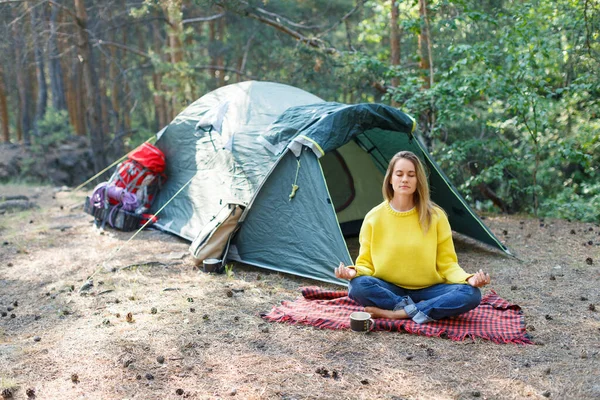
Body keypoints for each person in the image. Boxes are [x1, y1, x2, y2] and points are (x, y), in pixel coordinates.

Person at [335, 151, 491, 324]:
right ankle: (422, 309)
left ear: (418, 181)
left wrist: (469, 279)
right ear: (390, 179)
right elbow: (366, 264)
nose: (404, 179)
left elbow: (447, 265)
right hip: (389, 289)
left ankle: (396, 313)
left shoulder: (437, 216)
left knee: (471, 294)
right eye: (399, 174)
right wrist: (352, 272)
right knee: (357, 286)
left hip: (430, 289)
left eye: (411, 175)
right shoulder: (373, 217)